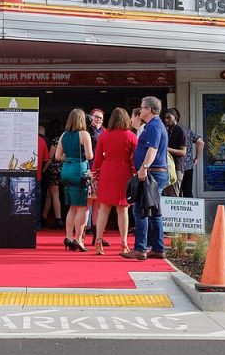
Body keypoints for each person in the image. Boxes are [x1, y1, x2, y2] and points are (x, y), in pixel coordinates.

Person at [123, 96, 169, 260]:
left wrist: (144, 168)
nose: (140, 110)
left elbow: (152, 149)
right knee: (155, 211)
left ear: (149, 109)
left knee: (141, 209)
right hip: (156, 172)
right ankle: (158, 247)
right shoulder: (155, 125)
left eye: (142, 108)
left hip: (152, 173)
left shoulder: (154, 126)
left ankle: (140, 248)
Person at [92, 108, 137, 255]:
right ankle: (123, 243)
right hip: (124, 173)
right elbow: (135, 158)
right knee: (122, 209)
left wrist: (95, 176)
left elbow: (97, 159)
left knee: (103, 209)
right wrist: (136, 173)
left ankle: (98, 241)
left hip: (107, 173)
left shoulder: (104, 136)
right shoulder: (131, 136)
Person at [57, 108, 94, 251]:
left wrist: (70, 157)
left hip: (66, 171)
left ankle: (68, 236)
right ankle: (78, 239)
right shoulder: (84, 134)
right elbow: (90, 156)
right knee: (83, 207)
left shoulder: (64, 135)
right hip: (80, 171)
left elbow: (58, 156)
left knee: (72, 207)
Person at [163, 109, 188, 197]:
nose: (166, 120)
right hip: (167, 166)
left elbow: (183, 152)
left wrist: (167, 149)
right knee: (166, 194)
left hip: (176, 167)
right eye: (165, 118)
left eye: (169, 118)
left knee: (174, 194)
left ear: (175, 118)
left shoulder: (181, 130)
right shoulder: (167, 131)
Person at [41, 133, 63, 229]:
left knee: (54, 195)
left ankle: (59, 219)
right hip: (65, 169)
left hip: (54, 170)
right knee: (49, 194)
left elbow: (50, 158)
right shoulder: (67, 138)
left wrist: (43, 170)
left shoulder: (56, 140)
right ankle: (44, 218)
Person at [35, 127, 49, 230]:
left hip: (20, 176)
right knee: (37, 202)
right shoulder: (41, 141)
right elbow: (46, 159)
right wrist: (42, 171)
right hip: (37, 177)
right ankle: (37, 224)